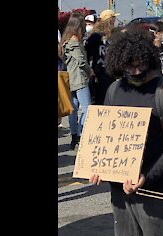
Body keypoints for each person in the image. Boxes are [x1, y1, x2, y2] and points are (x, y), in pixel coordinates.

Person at [90, 26, 163, 236]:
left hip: (153, 192)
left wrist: (147, 176)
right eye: (129, 66)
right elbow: (104, 136)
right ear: (119, 63)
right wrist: (96, 167)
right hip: (120, 191)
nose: (135, 71)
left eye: (140, 65)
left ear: (149, 60)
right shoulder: (114, 90)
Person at [59, 12, 93, 150]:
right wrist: (90, 70)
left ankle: (74, 135)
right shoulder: (74, 41)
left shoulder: (66, 40)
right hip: (79, 78)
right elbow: (81, 60)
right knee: (87, 108)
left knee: (73, 110)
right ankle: (80, 134)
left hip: (70, 78)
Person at [84, 9, 120, 105]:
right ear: (109, 20)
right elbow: (86, 52)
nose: (115, 21)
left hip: (111, 72)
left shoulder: (113, 35)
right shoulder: (95, 36)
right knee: (101, 100)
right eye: (114, 18)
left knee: (112, 98)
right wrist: (89, 70)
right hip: (99, 72)